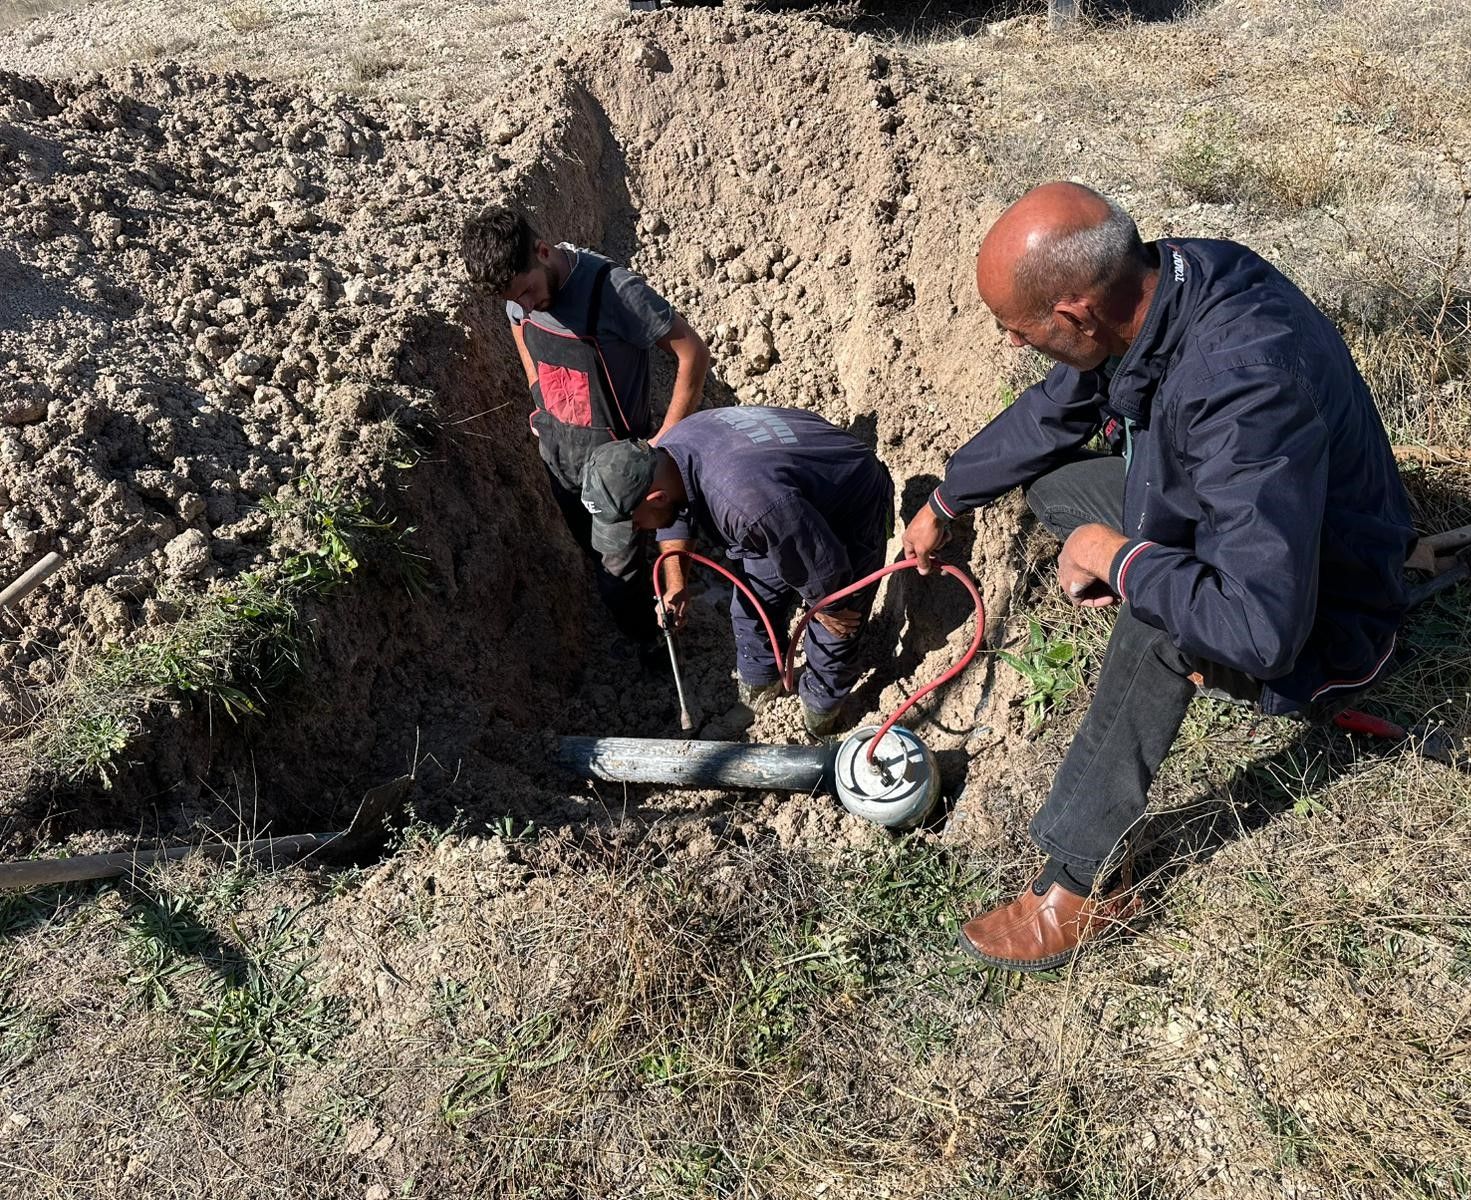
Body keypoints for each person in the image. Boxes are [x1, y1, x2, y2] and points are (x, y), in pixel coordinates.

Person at [902, 182, 1415, 972]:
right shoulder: (1164, 286)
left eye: (1022, 331)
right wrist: (948, 497)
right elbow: (1055, 411)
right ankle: (1159, 579)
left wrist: (1122, 558)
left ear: (1075, 315)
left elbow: (1263, 627)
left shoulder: (1243, 384)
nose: (1015, 346)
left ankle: (1081, 879)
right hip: (1252, 525)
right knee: (1058, 488)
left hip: (1325, 608)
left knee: (1156, 623)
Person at [459, 204, 710, 652]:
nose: (526, 306)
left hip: (617, 470)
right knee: (593, 554)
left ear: (541, 250)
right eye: (514, 301)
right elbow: (522, 332)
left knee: (617, 580)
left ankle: (652, 645)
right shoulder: (520, 294)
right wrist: (540, 397)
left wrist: (664, 445)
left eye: (529, 293)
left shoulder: (612, 291)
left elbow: (693, 352)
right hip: (560, 457)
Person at [580, 406, 894, 738]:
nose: (640, 530)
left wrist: (828, 605)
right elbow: (678, 516)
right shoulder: (667, 457)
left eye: (636, 523)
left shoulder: (745, 504)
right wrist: (676, 585)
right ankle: (760, 692)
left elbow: (819, 560)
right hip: (782, 499)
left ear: (655, 498)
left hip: (849, 501)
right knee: (749, 608)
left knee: (835, 628)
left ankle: (819, 721)